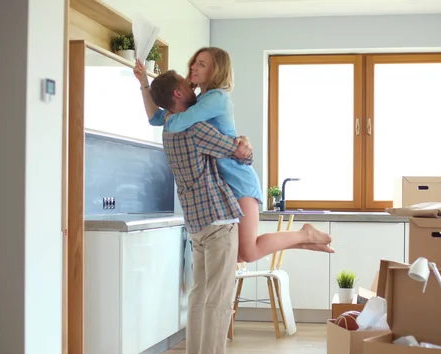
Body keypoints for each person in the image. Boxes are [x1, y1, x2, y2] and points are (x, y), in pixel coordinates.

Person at [134, 48, 334, 263]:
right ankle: (304, 240)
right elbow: (156, 117)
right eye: (195, 62)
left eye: (202, 64)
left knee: (246, 253)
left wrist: (168, 119)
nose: (194, 67)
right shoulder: (199, 100)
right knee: (238, 254)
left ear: (216, 71)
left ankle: (304, 235)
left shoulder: (216, 98)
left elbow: (177, 122)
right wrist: (144, 82)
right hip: (223, 185)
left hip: (238, 179)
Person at [146, 69, 252, 354]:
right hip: (218, 219)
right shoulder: (195, 129)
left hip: (196, 223)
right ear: (177, 94)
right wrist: (245, 144)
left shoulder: (168, 129)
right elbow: (239, 154)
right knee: (219, 298)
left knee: (200, 295)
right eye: (185, 83)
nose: (191, 85)